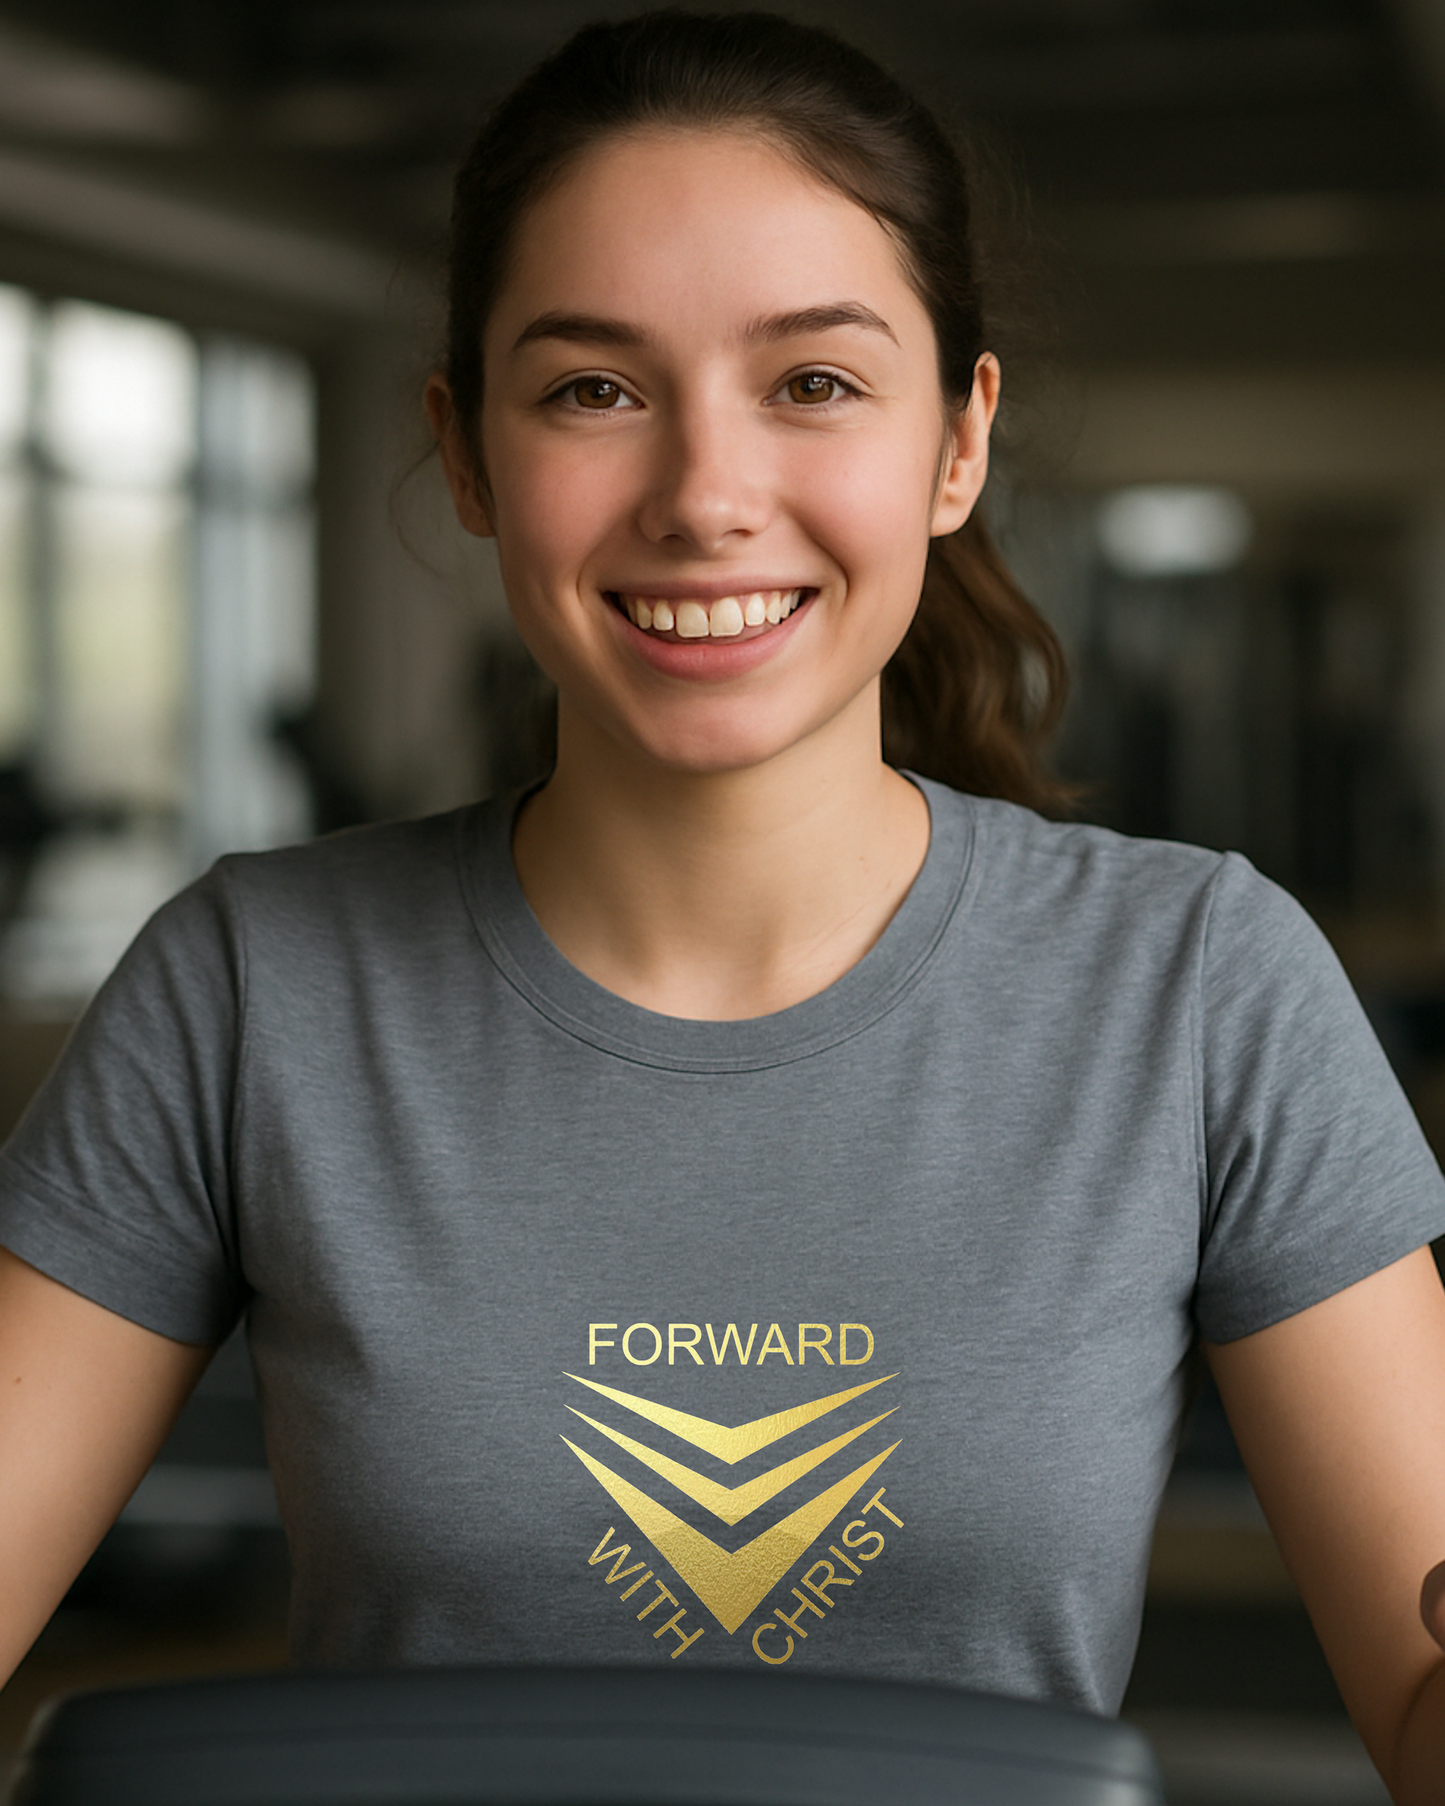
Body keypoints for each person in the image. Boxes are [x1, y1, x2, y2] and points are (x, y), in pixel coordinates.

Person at [3, 11, 1445, 1798]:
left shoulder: (1203, 985)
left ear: (957, 441)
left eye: (815, 382)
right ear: (467, 451)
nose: (704, 494)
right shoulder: (251, 986)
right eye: (592, 388)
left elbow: (1421, 1704)